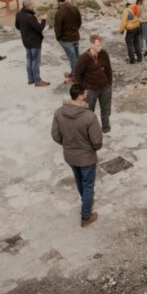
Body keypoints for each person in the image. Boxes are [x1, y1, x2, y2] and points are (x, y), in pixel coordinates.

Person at [51, 83, 103, 227]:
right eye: (85, 93)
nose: (87, 95)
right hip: (86, 157)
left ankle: (86, 202)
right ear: (80, 95)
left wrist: (68, 145)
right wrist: (89, 148)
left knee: (80, 181)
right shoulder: (89, 116)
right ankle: (86, 216)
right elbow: (97, 142)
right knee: (88, 185)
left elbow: (55, 135)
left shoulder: (59, 112)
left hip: (70, 156)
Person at [73, 35, 113, 134]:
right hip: (91, 89)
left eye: (101, 45)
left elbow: (109, 69)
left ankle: (106, 128)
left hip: (105, 87)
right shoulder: (84, 57)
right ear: (92, 45)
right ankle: (89, 131)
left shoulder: (104, 54)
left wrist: (109, 83)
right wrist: (84, 88)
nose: (101, 47)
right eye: (98, 45)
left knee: (106, 110)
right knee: (89, 112)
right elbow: (77, 74)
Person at [15, 0, 49, 87]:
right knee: (35, 61)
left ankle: (30, 79)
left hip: (26, 41)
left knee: (29, 60)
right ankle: (37, 80)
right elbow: (39, 28)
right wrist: (44, 19)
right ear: (28, 6)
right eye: (32, 5)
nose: (34, 6)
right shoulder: (30, 17)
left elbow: (17, 26)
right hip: (34, 42)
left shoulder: (19, 14)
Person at [54, 0, 82, 79]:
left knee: (73, 58)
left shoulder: (60, 12)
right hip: (75, 36)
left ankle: (76, 77)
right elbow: (79, 22)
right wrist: (75, 30)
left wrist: (59, 38)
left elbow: (58, 28)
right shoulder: (74, 8)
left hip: (67, 39)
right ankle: (77, 73)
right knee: (76, 57)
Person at [119, 0, 142, 64]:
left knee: (130, 45)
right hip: (138, 27)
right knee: (137, 43)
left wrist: (121, 30)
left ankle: (132, 60)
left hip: (130, 30)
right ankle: (139, 57)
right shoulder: (138, 8)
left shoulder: (126, 11)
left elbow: (123, 23)